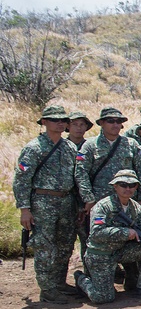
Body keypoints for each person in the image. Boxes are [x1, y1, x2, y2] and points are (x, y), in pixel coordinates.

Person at [14, 106, 78, 304]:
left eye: (63, 120)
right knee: (44, 246)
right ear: (44, 122)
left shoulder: (70, 148)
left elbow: (76, 178)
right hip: (43, 202)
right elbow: (22, 180)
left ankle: (59, 283)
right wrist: (25, 209)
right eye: (54, 120)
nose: (59, 123)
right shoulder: (34, 148)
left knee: (65, 245)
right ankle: (47, 288)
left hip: (67, 201)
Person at [74, 170, 141, 304]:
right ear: (115, 186)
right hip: (100, 254)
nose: (128, 188)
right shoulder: (103, 206)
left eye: (132, 185)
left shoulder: (136, 208)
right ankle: (81, 279)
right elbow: (96, 233)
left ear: (136, 187)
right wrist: (125, 232)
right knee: (103, 298)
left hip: (120, 252)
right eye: (123, 185)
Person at [77, 107, 141, 204]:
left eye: (118, 121)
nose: (115, 124)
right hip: (99, 201)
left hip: (128, 201)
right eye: (111, 121)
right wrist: (89, 199)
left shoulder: (131, 144)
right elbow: (81, 173)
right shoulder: (90, 145)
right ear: (102, 123)